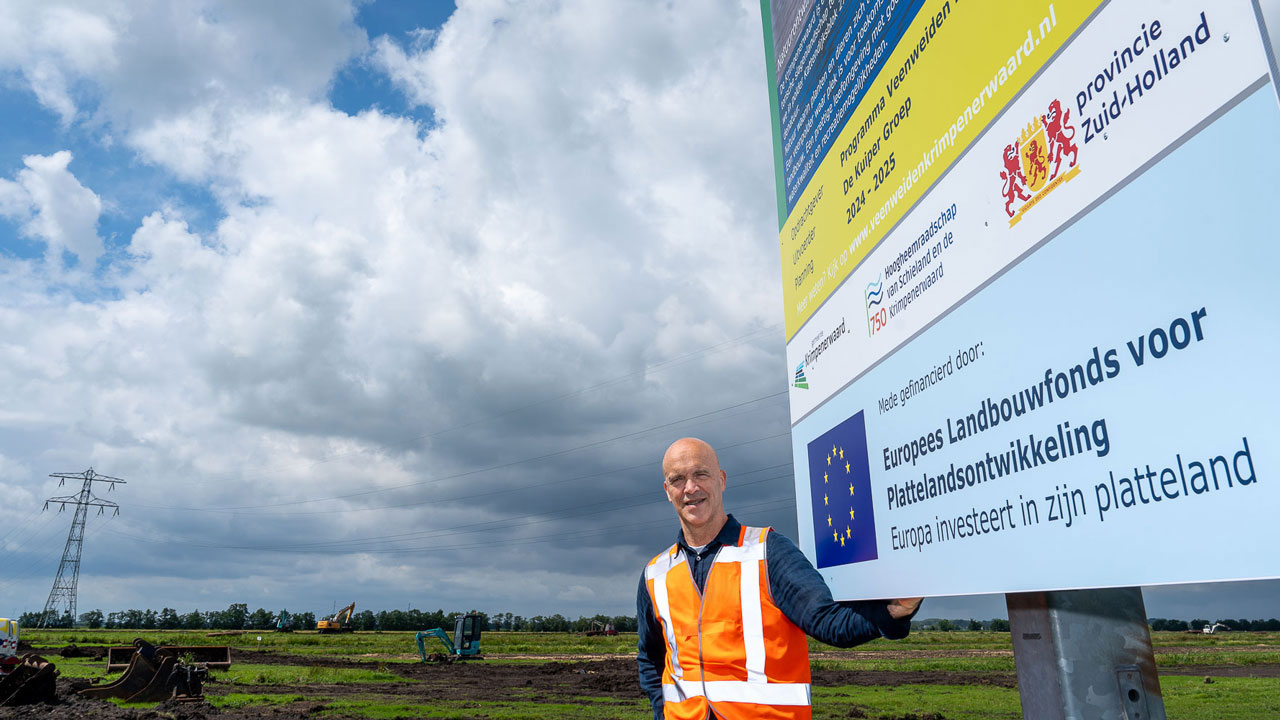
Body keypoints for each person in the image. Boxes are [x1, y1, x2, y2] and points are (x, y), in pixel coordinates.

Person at [637, 437, 922, 720]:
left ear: (721, 480)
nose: (690, 488)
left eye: (701, 474)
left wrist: (891, 611)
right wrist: (662, 712)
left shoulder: (768, 550)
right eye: (678, 479)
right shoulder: (655, 574)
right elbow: (650, 658)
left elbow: (827, 621)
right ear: (667, 490)